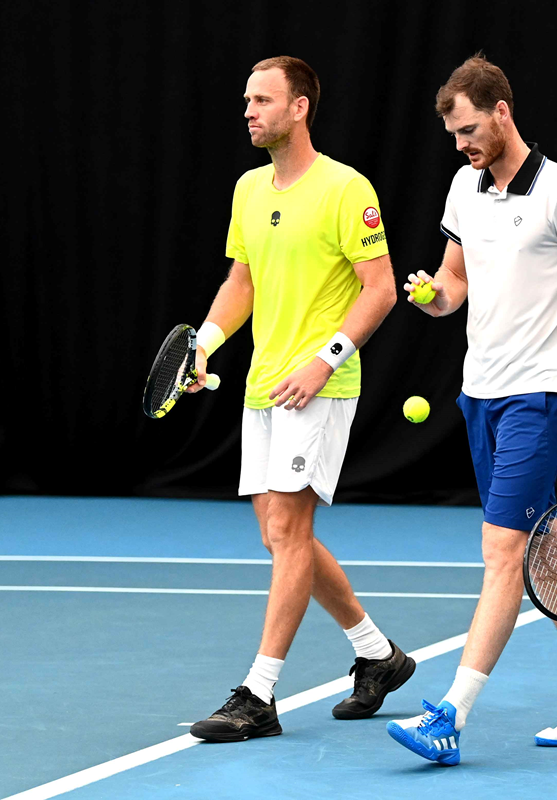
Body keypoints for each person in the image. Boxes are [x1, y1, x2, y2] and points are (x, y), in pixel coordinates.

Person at [386, 54, 557, 765]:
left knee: (501, 551)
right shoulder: (464, 189)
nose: (462, 144)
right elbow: (454, 283)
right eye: (452, 134)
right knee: (540, 546)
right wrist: (431, 296)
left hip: (542, 394)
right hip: (481, 393)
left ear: (502, 111)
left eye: (469, 129)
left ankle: (449, 716)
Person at [185, 56, 412, 742]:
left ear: (299, 107)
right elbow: (241, 281)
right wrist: (204, 344)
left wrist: (325, 360)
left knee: (288, 534)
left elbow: (381, 287)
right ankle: (379, 656)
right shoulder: (249, 189)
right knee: (282, 537)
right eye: (246, 101)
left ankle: (259, 695)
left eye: (262, 100)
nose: (249, 111)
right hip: (263, 382)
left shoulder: (346, 189)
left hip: (320, 384)